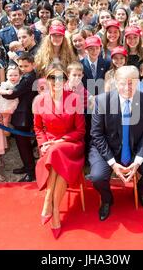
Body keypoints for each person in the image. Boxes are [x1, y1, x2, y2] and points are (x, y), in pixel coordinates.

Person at [88, 66, 143, 221]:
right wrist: (113, 163)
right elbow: (96, 134)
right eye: (123, 83)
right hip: (107, 149)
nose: (127, 87)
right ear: (116, 82)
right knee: (97, 177)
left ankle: (141, 192)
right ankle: (107, 199)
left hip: (134, 149)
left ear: (139, 82)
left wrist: (137, 162)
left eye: (132, 83)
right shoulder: (102, 101)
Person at [33, 64, 86, 239]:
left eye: (61, 78)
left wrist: (61, 140)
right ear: (46, 80)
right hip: (49, 146)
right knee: (56, 155)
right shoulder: (39, 100)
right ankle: (54, 209)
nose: (56, 81)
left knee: (57, 153)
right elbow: (38, 128)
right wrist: (43, 145)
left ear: (65, 80)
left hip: (71, 144)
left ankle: (50, 201)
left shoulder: (74, 99)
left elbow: (80, 131)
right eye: (52, 78)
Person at [1, 53, 38, 182]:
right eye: (20, 66)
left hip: (24, 114)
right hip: (23, 112)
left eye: (25, 66)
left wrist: (1, 91)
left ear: (33, 64)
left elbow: (13, 94)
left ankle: (31, 172)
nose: (22, 68)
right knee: (22, 144)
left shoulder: (29, 77)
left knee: (24, 145)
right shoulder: (29, 75)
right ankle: (27, 167)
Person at [0, 65, 21, 131]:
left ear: (19, 76)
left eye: (15, 75)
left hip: (13, 104)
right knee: (6, 116)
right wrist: (6, 92)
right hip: (6, 104)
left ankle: (7, 126)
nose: (13, 77)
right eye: (10, 75)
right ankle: (5, 128)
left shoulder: (19, 83)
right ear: (7, 76)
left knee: (9, 117)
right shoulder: (5, 84)